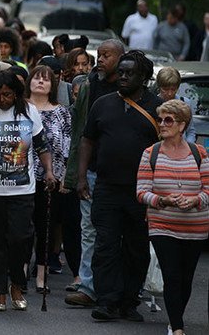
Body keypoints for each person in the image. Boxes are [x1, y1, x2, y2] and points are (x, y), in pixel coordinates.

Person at [78, 51, 162, 322]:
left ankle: (128, 301)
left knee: (136, 248)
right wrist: (81, 178)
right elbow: (87, 140)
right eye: (121, 72)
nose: (123, 77)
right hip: (107, 187)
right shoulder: (102, 104)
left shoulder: (158, 108)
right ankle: (107, 301)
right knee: (106, 245)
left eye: (129, 73)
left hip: (142, 192)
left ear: (145, 78)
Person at [0, 70, 55, 312]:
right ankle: (0, 293)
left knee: (20, 239)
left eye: (9, 95)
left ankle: (17, 284)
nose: (4, 99)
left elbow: (42, 145)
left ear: (16, 94)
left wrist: (48, 170)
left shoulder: (28, 112)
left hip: (22, 189)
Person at [136, 99, 209, 335]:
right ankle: (177, 328)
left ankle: (174, 319)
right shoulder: (150, 153)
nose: (162, 124)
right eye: (160, 119)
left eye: (168, 120)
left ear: (182, 125)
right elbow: (141, 192)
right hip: (163, 224)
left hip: (195, 226)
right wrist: (163, 200)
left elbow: (207, 190)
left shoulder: (200, 153)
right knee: (172, 274)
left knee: (186, 278)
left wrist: (195, 200)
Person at [63, 39, 125, 308]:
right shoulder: (89, 86)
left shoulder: (129, 88)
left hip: (121, 174)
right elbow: (80, 133)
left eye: (107, 55)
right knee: (88, 229)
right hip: (91, 169)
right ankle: (87, 286)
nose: (101, 59)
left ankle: (117, 287)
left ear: (121, 59)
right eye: (99, 55)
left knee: (116, 232)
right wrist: (77, 174)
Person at [25, 65, 77, 293]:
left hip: (50, 178)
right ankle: (21, 269)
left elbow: (67, 146)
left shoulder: (62, 112)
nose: (40, 82)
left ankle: (41, 274)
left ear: (52, 85)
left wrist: (64, 176)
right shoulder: (20, 109)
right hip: (21, 177)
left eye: (45, 80)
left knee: (45, 226)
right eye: (36, 77)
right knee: (23, 227)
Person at [156, 66, 196, 143]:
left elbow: (190, 131)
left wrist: (188, 148)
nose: (170, 93)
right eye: (165, 89)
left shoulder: (185, 103)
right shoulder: (153, 103)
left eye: (173, 89)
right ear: (159, 87)